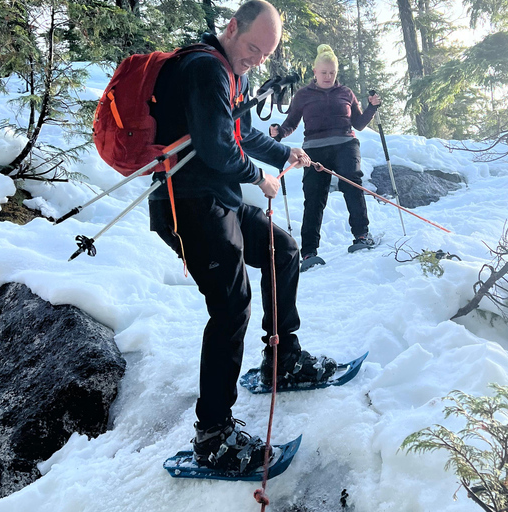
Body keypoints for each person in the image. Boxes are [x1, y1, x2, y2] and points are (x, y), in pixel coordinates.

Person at [147, 0, 336, 474]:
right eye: (253, 47)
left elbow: (241, 132)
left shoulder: (236, 73)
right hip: (185, 205)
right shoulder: (205, 70)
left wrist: (284, 154)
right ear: (232, 27)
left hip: (218, 198)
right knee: (231, 305)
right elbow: (216, 149)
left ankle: (281, 357)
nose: (256, 58)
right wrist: (260, 178)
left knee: (283, 250)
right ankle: (213, 434)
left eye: (265, 54)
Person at [270, 44, 381, 270]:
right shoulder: (303, 95)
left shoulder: (346, 93)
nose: (328, 76)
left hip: (345, 144)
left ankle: (362, 235)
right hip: (314, 150)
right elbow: (291, 123)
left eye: (332, 73)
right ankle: (309, 252)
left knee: (352, 184)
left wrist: (371, 107)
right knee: (314, 197)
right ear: (315, 72)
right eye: (324, 73)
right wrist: (279, 133)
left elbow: (358, 124)